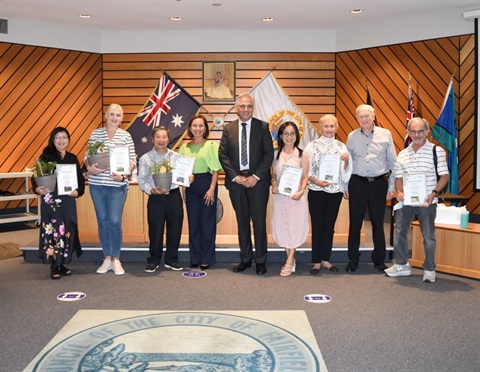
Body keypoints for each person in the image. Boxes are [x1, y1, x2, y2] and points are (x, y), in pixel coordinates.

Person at [385, 117, 449, 283]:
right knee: (400, 233)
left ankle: (429, 269)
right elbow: (398, 177)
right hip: (406, 202)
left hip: (427, 202)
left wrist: (434, 193)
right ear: (409, 133)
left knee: (428, 236)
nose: (417, 134)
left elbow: (444, 176)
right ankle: (402, 265)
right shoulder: (403, 153)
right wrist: (399, 191)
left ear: (427, 131)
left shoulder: (437, 151)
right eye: (413, 131)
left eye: (421, 131)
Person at [218, 93, 274, 274]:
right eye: (242, 106)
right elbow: (223, 155)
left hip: (258, 182)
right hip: (236, 182)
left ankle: (260, 260)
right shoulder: (228, 128)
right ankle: (245, 259)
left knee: (258, 222)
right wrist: (235, 177)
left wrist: (255, 177)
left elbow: (268, 155)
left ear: (253, 108)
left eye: (249, 106)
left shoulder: (263, 127)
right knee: (242, 222)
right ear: (237, 108)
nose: (246, 109)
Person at [84, 103, 136, 276]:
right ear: (106, 115)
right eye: (112, 114)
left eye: (118, 115)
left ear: (122, 118)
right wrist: (89, 168)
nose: (115, 118)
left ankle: (117, 259)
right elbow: (87, 157)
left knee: (114, 221)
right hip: (97, 184)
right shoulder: (95, 133)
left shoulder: (126, 136)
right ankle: (107, 257)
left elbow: (132, 159)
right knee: (102, 220)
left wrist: (123, 175)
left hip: (118, 186)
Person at [345, 104, 397, 272]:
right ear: (357, 118)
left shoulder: (386, 134)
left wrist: (392, 185)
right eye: (361, 116)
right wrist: (345, 184)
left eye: (367, 116)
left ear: (373, 116)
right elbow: (347, 164)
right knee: (355, 223)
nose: (364, 119)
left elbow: (393, 162)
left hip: (379, 184)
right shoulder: (351, 136)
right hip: (357, 183)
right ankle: (353, 259)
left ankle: (379, 259)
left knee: (377, 222)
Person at [138, 126, 193, 273]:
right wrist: (152, 190)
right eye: (158, 137)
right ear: (152, 139)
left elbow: (182, 177)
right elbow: (142, 180)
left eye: (164, 137)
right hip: (156, 198)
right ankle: (154, 260)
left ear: (168, 139)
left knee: (175, 228)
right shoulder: (145, 158)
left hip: (174, 196)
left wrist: (188, 178)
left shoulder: (177, 157)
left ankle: (171, 259)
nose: (161, 140)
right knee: (155, 230)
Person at [33, 127, 85, 280]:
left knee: (66, 230)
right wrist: (37, 188)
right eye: (58, 137)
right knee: (53, 231)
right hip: (51, 201)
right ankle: (53, 265)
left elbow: (80, 181)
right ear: (52, 140)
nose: (61, 140)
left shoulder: (73, 158)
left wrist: (78, 191)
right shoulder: (45, 157)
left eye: (64, 137)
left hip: (68, 200)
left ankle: (61, 263)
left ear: (68, 140)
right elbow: (35, 178)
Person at [304, 114, 352, 274]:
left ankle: (326, 259)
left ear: (336, 128)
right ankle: (316, 261)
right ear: (320, 128)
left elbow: (346, 171)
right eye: (326, 126)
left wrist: (345, 161)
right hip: (316, 190)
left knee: (329, 225)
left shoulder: (341, 147)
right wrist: (315, 181)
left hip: (334, 191)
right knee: (317, 225)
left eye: (332, 126)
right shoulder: (311, 146)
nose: (329, 129)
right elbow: (305, 168)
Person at [179, 115, 222, 270]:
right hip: (190, 186)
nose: (198, 129)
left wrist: (211, 188)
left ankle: (206, 258)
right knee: (194, 223)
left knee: (207, 223)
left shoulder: (211, 145)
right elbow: (182, 172)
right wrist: (184, 189)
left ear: (205, 128)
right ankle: (195, 257)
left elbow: (216, 169)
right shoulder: (184, 148)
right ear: (190, 128)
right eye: (195, 126)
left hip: (207, 184)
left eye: (201, 125)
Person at [270, 121, 309, 276]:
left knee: (294, 226)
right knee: (283, 226)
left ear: (296, 136)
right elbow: (273, 173)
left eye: (292, 133)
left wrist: (301, 191)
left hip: (296, 198)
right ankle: (291, 259)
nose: (289, 136)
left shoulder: (302, 155)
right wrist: (273, 183)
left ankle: (289, 259)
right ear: (280, 136)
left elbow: (305, 177)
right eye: (285, 133)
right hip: (281, 197)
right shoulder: (275, 154)